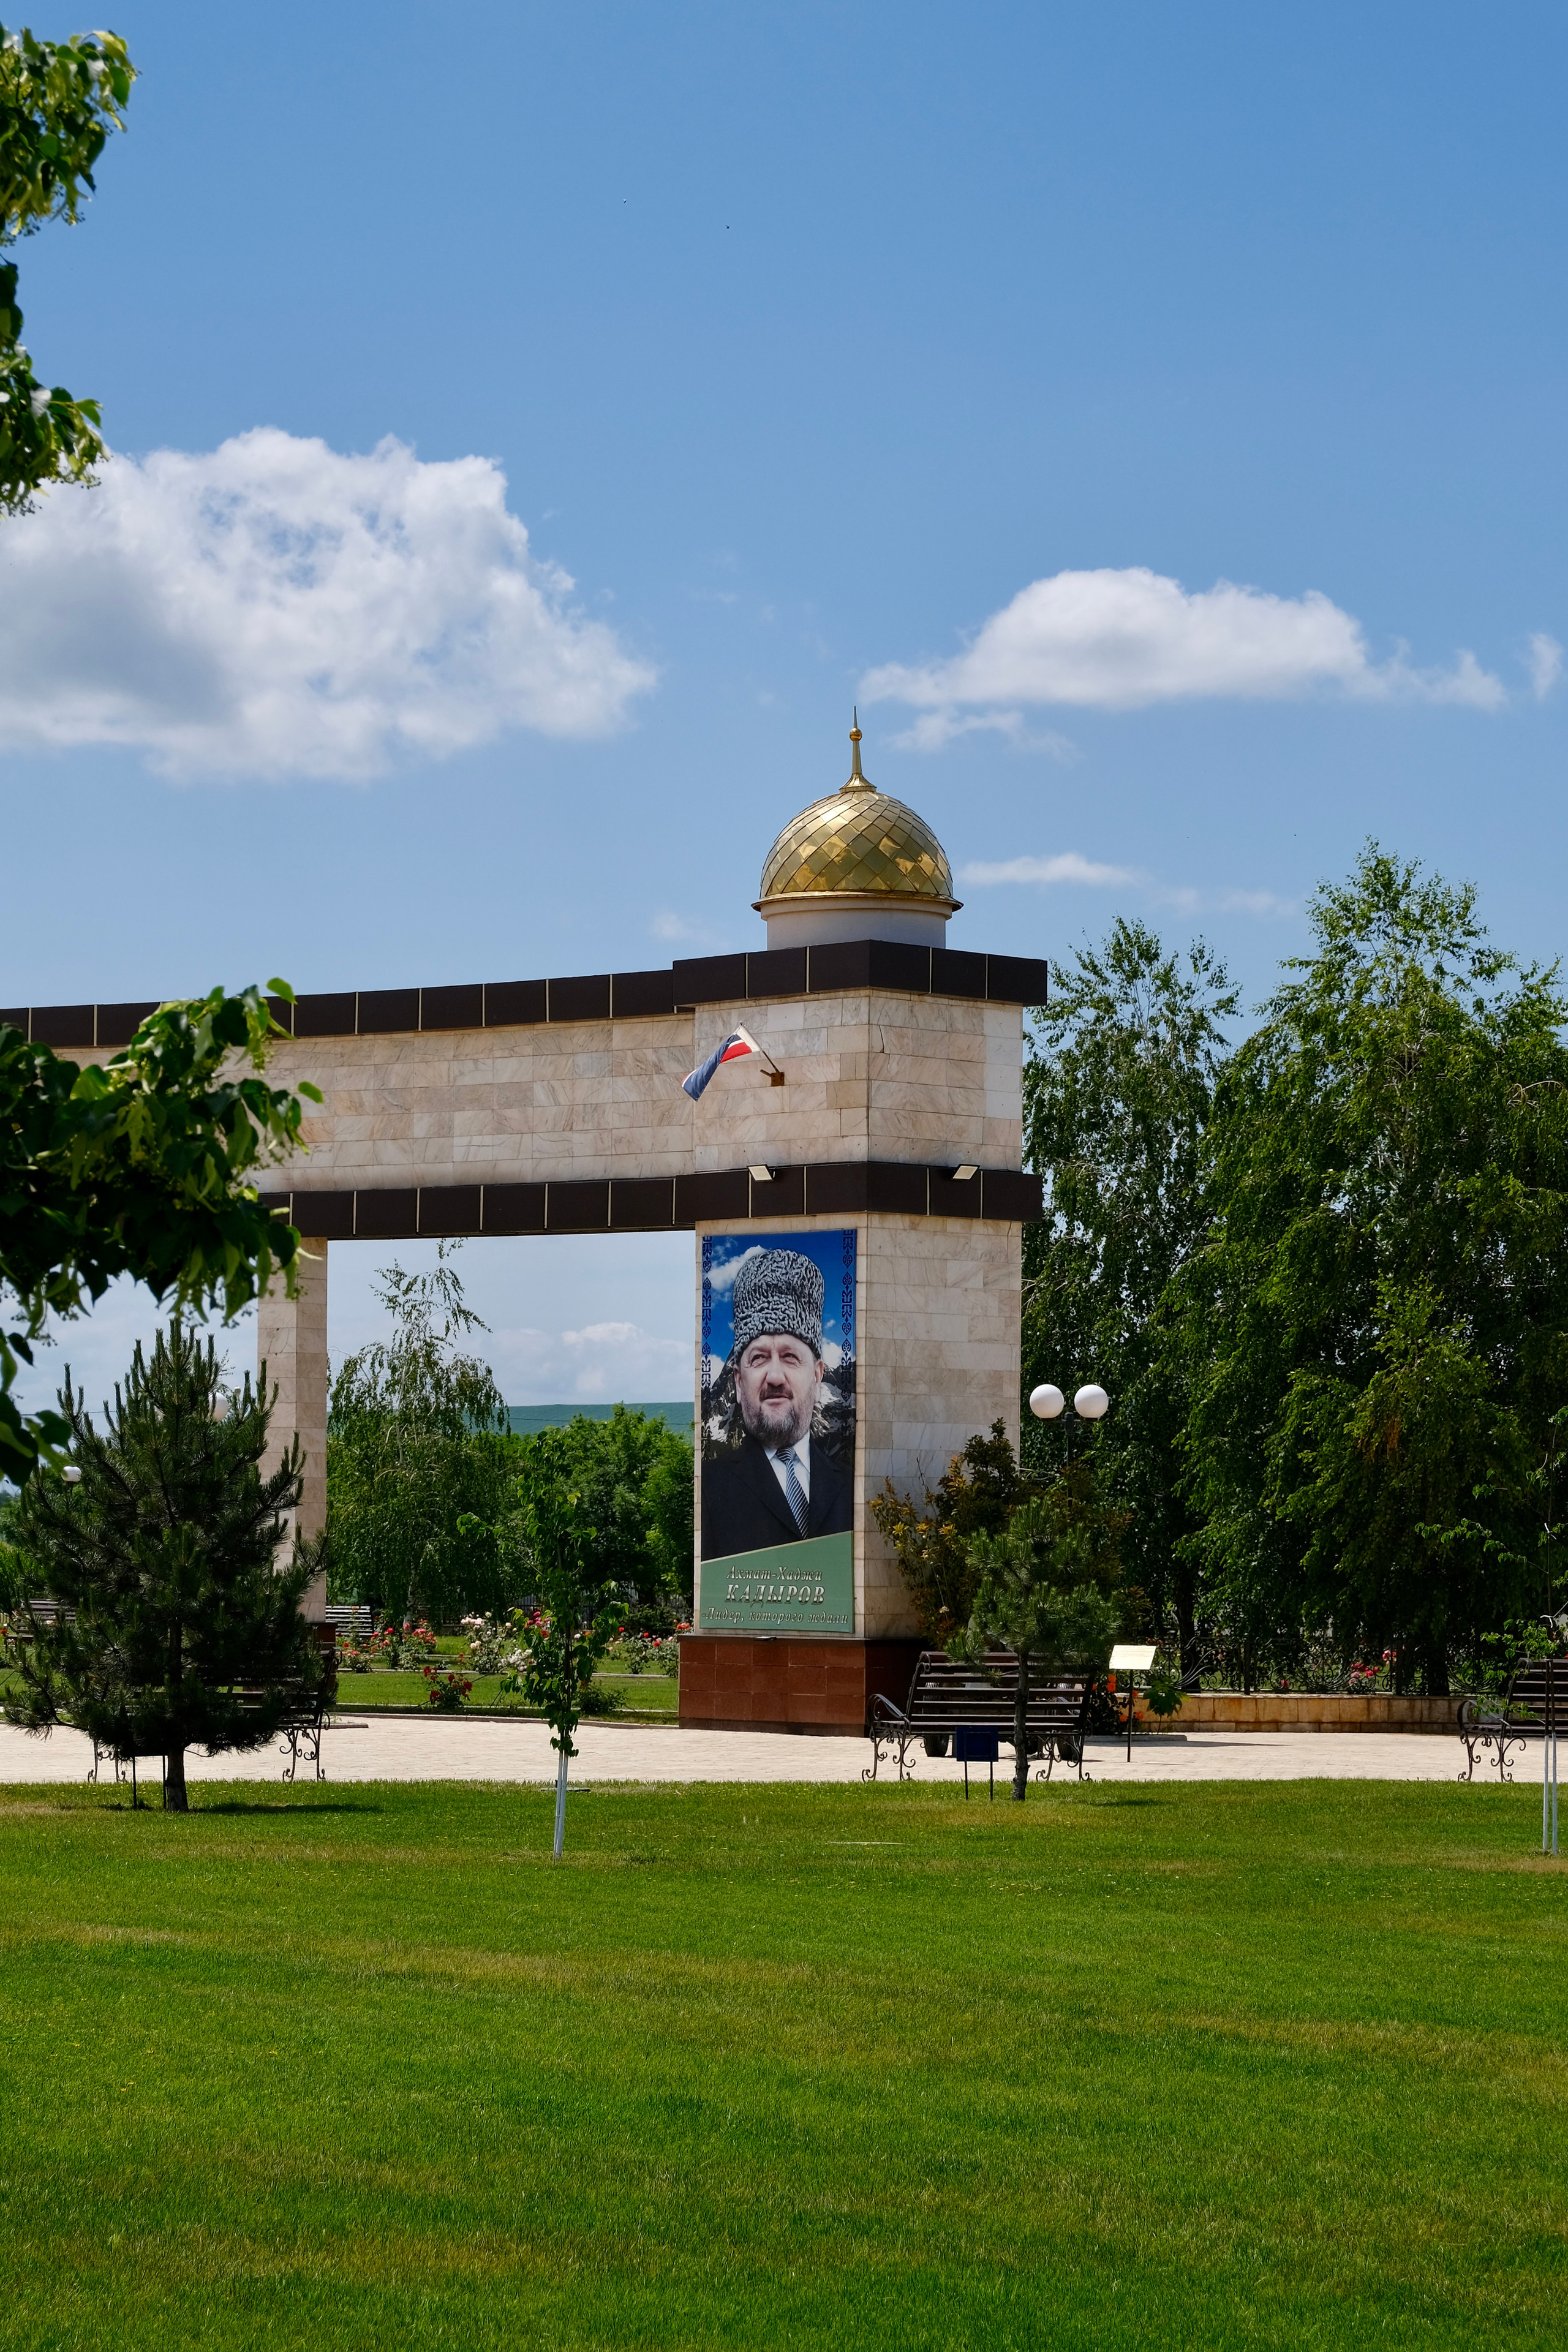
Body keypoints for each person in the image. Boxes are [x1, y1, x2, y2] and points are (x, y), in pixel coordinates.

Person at [701, 1247, 852, 1562]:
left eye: (789, 1357)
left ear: (817, 1374)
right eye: (758, 1358)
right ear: (739, 1381)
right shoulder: (709, 1490)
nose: (774, 1376)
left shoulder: (851, 1488)